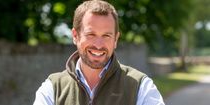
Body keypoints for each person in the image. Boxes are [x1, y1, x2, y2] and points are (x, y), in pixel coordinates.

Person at [33, 0, 165, 105]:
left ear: (116, 39)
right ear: (75, 35)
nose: (98, 45)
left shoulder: (140, 86)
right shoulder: (53, 88)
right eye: (91, 34)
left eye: (106, 35)